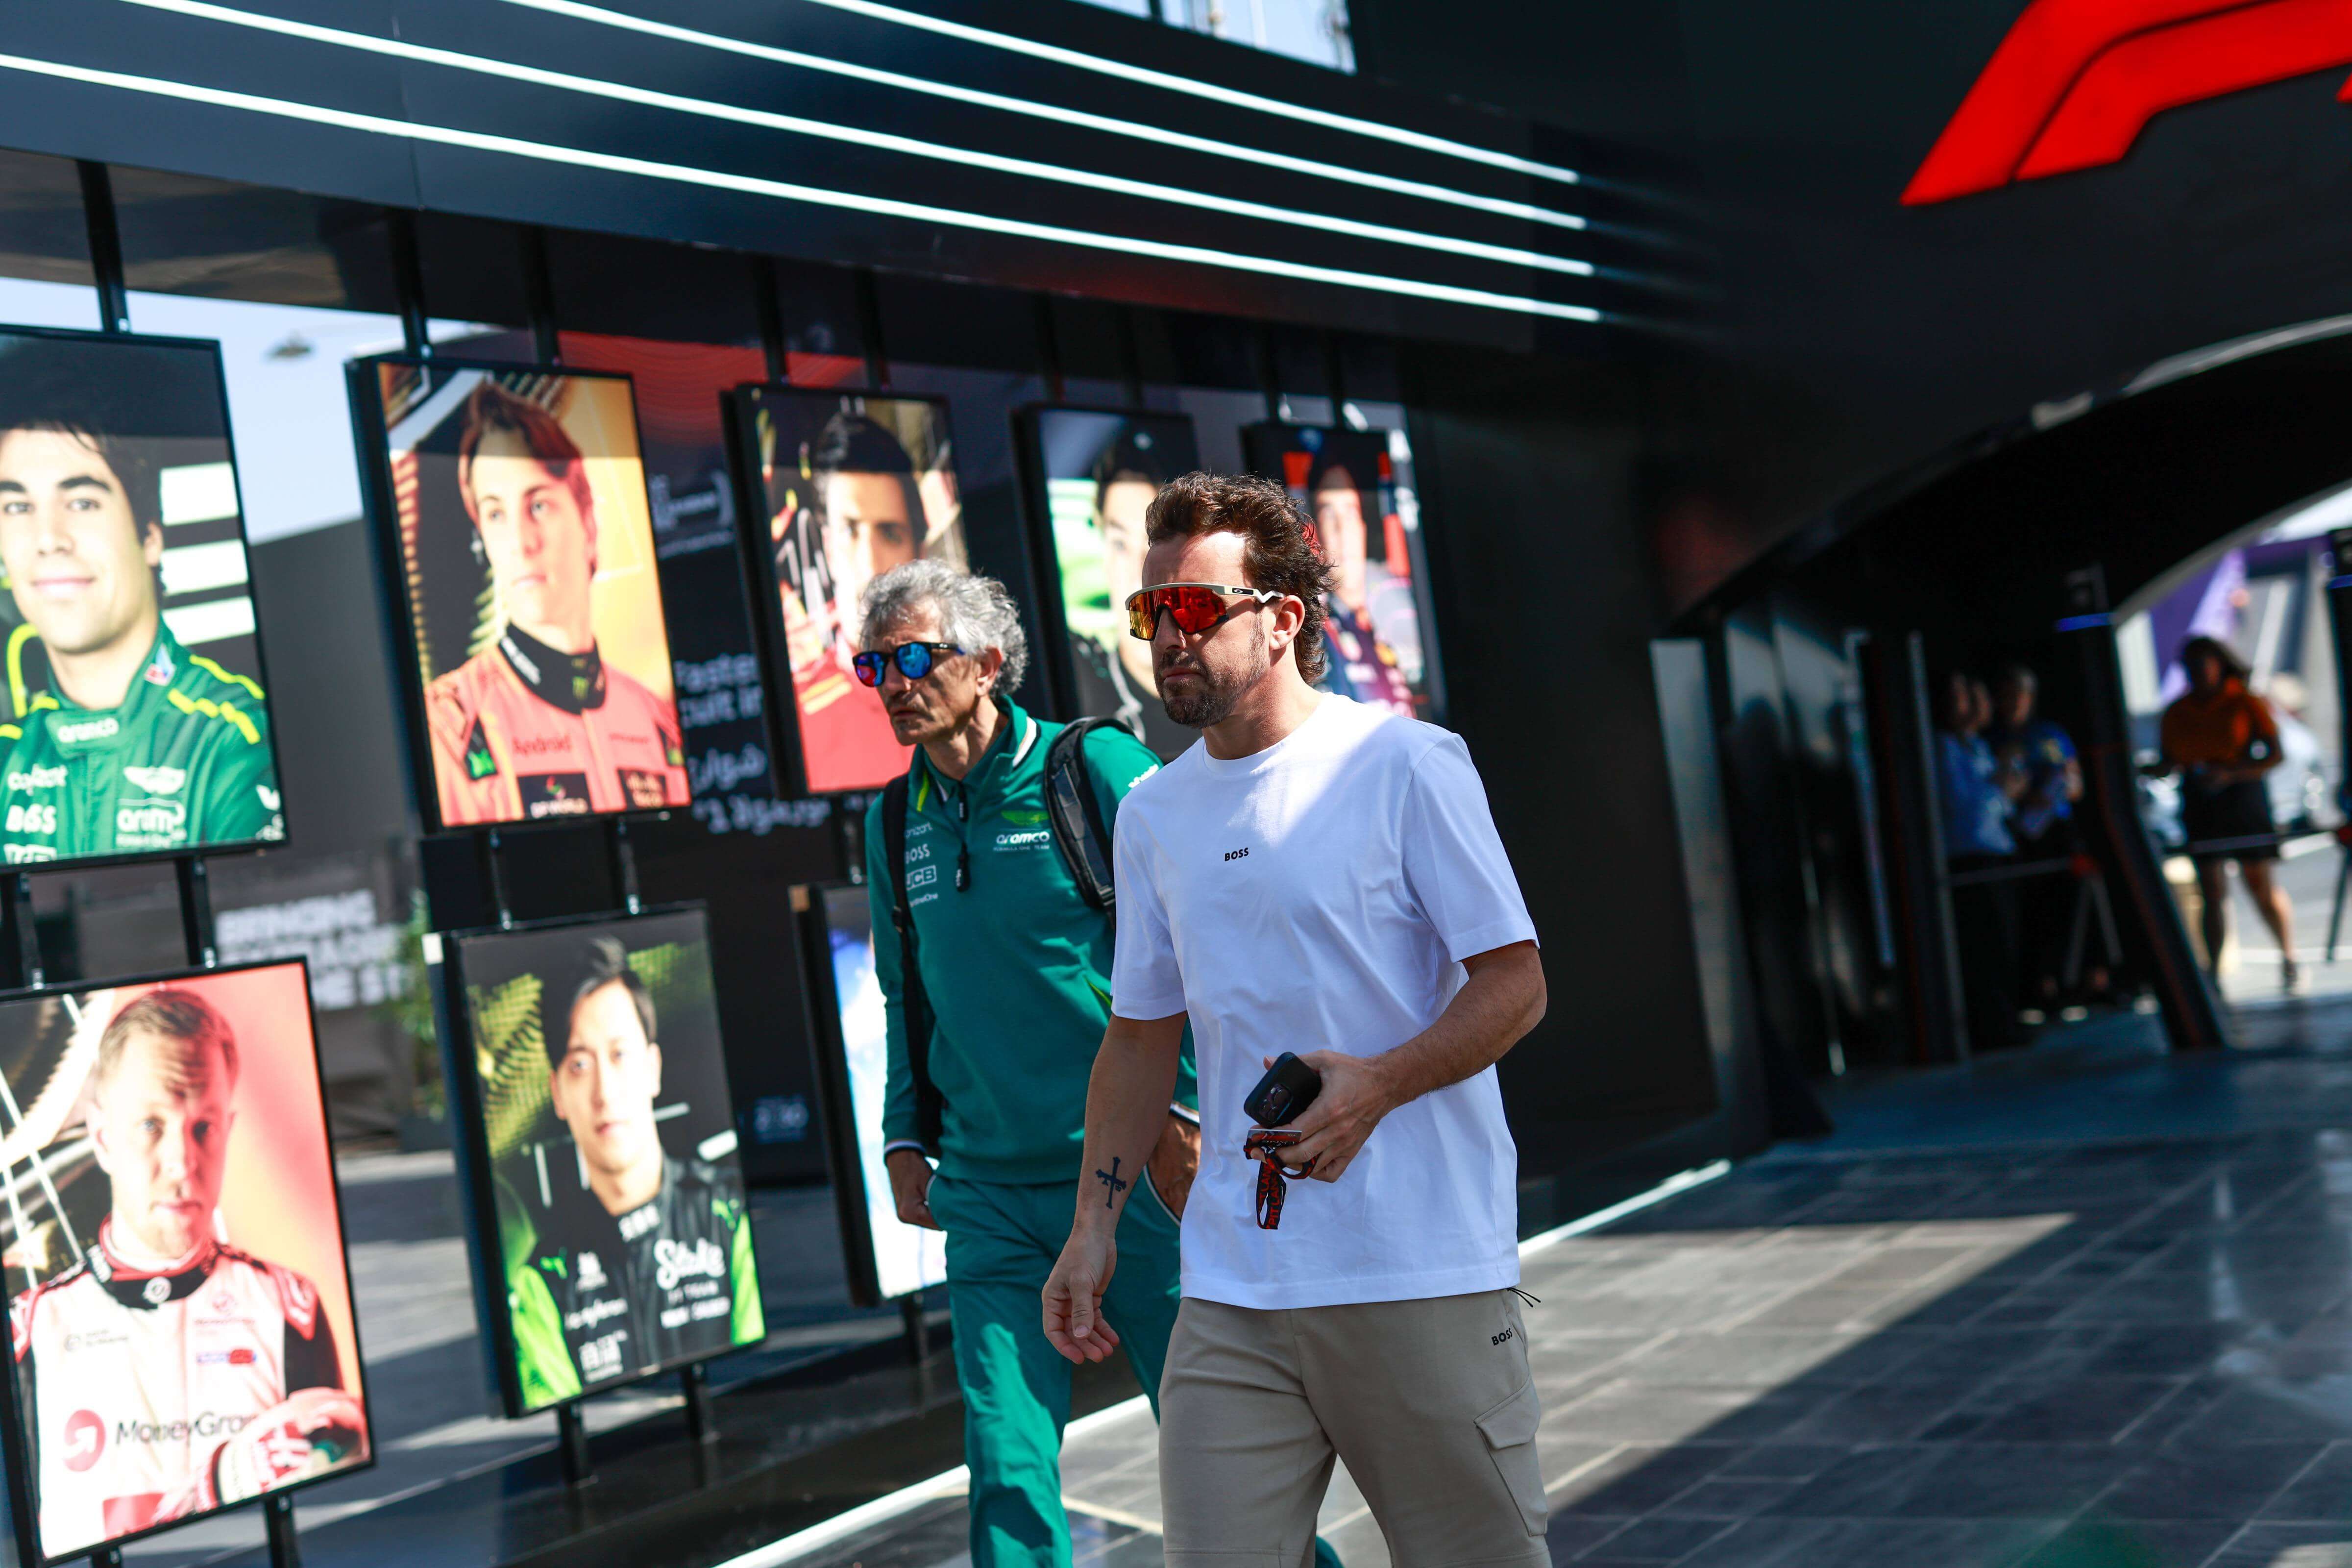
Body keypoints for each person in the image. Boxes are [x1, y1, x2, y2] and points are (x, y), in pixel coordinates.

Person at [1043, 473, 1551, 1567]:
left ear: (1281, 619)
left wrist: (1383, 1083)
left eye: (1194, 608)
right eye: (1149, 611)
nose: (1166, 637)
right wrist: (1092, 1227)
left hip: (1417, 1271)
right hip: (1235, 1283)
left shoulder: (1405, 764)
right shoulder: (1153, 812)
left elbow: (1517, 983)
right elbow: (1140, 1036)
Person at [858, 558, 1221, 1568]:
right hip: (988, 1192)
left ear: (987, 663)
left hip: (1134, 1173)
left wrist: (1188, 1113)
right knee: (1006, 1463)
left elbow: (1204, 944)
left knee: (1216, 1450)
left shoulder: (1090, 767)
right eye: (875, 667)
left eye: (915, 659)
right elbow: (905, 993)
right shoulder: (891, 819)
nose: (893, 685)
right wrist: (903, 1136)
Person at [11, 990, 365, 1558]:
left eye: (203, 1126)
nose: (182, 1162)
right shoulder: (31, 1329)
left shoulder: (287, 1305)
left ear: (229, 1129)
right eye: (152, 1124)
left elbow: (327, 1512)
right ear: (102, 1137)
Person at [0, 396, 283, 862]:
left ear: (150, 536)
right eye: (17, 507)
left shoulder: (239, 738)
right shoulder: (9, 756)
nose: (48, 539)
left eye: (82, 502)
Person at [503, 937, 763, 1407]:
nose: (604, 1092)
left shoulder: (731, 1216)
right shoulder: (543, 1283)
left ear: (653, 1068)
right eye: (580, 1064)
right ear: (557, 1093)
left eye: (620, 1055)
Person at [425, 381, 688, 826]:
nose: (521, 542)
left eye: (539, 506)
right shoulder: (449, 726)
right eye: (495, 514)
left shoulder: (656, 722)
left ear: (588, 521)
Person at [774, 412, 931, 784]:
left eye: (890, 534)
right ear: (829, 548)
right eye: (850, 531)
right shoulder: (799, 718)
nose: (871, 565)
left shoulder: (972, 696)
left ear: (919, 553)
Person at [2152, 635, 2297, 987]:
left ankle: (2288, 956)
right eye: (2192, 666)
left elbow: (2275, 754)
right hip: (2201, 803)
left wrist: (2232, 773)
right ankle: (2213, 974)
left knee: (2260, 885)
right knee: (2212, 892)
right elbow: (2169, 759)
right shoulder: (2177, 712)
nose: (2199, 672)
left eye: (2204, 664)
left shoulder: (2245, 703)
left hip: (2243, 800)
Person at [1066, 434, 1195, 760]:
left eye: (1154, 544)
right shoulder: (1082, 687)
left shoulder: (1230, 691)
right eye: (1120, 544)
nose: (1140, 574)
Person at [1938, 673, 2027, 1050]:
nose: (1974, 705)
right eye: (1962, 696)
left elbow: (1999, 805)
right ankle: (1992, 1028)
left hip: (1995, 854)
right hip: (1969, 857)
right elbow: (1965, 810)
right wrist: (2000, 790)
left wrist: (2004, 791)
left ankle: (2007, 1020)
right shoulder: (1943, 748)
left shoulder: (1976, 746)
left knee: (2004, 945)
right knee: (1984, 949)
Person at [1306, 454, 1414, 716]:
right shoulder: (1307, 623)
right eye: (1329, 515)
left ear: (1363, 526)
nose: (1342, 529)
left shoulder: (1406, 602)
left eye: (1350, 513)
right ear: (1317, 532)